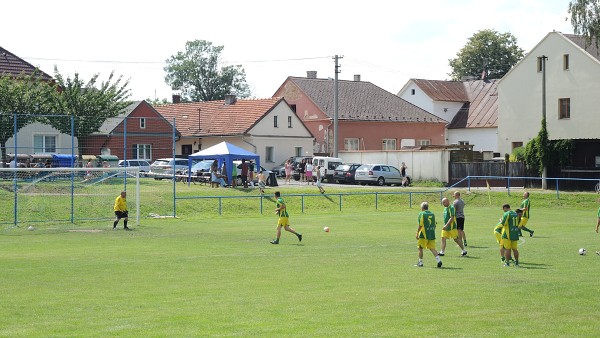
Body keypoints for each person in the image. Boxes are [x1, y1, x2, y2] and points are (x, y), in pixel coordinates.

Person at [415, 202, 443, 268]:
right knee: (432, 248)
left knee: (420, 247)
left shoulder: (422, 214)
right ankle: (439, 260)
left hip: (424, 235)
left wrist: (417, 233)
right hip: (431, 234)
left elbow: (420, 225)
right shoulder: (432, 214)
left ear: (422, 208)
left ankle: (420, 262)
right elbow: (434, 224)